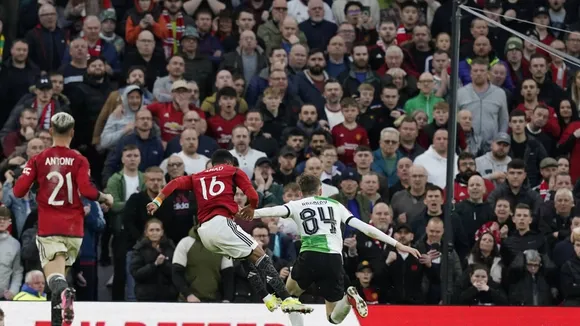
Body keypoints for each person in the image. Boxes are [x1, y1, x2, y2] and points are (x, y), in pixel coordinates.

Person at [147, 149, 311, 314]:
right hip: (221, 224)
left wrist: (157, 201)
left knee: (245, 257)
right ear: (229, 163)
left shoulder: (197, 176)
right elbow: (253, 194)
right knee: (261, 254)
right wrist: (251, 207)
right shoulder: (233, 171)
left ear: (213, 163)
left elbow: (174, 183)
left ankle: (267, 298)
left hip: (204, 232)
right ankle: (286, 299)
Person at [252, 174, 420, 325]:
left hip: (310, 255)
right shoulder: (335, 204)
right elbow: (364, 228)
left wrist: (248, 213)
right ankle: (348, 299)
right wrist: (397, 244)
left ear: (301, 192)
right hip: (334, 259)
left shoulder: (296, 204)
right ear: (320, 190)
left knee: (289, 296)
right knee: (333, 318)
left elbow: (273, 210)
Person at [12, 112, 114, 326]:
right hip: (74, 229)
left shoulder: (38, 159)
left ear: (51, 132)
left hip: (49, 227)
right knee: (59, 277)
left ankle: (63, 293)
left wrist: (27, 178)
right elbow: (87, 189)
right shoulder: (79, 160)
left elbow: (19, 191)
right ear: (72, 133)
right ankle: (58, 318)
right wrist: (105, 197)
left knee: (53, 279)